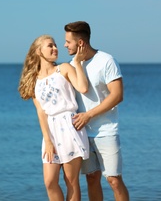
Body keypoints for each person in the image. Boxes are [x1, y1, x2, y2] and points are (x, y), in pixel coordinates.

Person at [63, 21, 129, 201]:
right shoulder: (72, 65)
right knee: (92, 178)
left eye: (68, 41)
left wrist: (89, 115)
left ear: (81, 43)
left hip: (106, 131)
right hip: (82, 133)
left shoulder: (106, 61)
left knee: (114, 180)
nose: (65, 45)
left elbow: (117, 95)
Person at [18, 34, 90, 201]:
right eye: (50, 45)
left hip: (70, 127)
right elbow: (41, 112)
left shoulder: (64, 68)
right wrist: (48, 140)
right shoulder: (34, 80)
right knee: (50, 182)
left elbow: (83, 88)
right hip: (50, 131)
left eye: (56, 45)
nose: (55, 48)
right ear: (38, 51)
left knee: (71, 181)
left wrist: (77, 63)